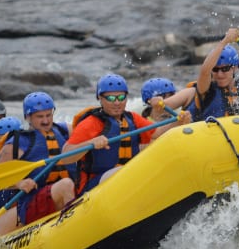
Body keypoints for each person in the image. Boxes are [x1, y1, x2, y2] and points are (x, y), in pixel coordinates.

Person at [62, 73, 191, 194]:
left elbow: (158, 132)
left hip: (128, 181)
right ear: (100, 99)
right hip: (94, 186)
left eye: (121, 97)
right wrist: (91, 142)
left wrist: (178, 122)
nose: (117, 102)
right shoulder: (91, 123)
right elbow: (65, 156)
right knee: (126, 172)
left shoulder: (132, 119)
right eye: (111, 98)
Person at [0, 92, 76, 236]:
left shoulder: (64, 130)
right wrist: (19, 183)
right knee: (66, 184)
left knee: (70, 184)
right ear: (28, 117)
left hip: (66, 193)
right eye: (40, 117)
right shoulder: (18, 143)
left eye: (49, 115)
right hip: (34, 202)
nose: (46, 121)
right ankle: (72, 231)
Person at [172, 27, 239, 121]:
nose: (219, 74)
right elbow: (205, 71)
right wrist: (225, 41)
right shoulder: (207, 90)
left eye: (225, 69)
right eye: (215, 69)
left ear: (235, 68)